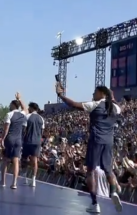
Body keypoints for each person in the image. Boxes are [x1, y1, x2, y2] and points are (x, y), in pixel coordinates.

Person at [55, 83, 122, 213]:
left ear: (102, 94)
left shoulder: (95, 105)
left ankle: (94, 203)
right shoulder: (115, 107)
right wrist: (112, 98)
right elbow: (119, 106)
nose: (92, 95)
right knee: (108, 170)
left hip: (96, 140)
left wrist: (60, 95)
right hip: (109, 142)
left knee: (90, 171)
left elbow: (73, 104)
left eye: (95, 92)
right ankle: (113, 192)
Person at [0, 92, 27, 189]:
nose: (9, 106)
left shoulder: (9, 114)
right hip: (18, 140)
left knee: (5, 160)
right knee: (16, 161)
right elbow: (25, 109)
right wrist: (20, 99)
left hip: (9, 139)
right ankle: (14, 183)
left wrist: (2, 139)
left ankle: (3, 181)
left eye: (10, 104)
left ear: (13, 105)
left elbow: (6, 129)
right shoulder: (22, 114)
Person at [21, 102, 45, 187]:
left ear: (31, 108)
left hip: (28, 141)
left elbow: (23, 130)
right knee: (35, 161)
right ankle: (34, 180)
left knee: (24, 159)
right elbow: (42, 132)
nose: (28, 109)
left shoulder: (27, 117)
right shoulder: (41, 119)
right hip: (37, 142)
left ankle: (24, 178)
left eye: (29, 107)